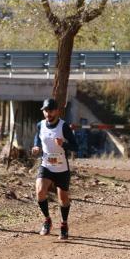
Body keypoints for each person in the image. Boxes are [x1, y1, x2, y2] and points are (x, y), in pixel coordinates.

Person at [31, 98, 78, 240]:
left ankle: (64, 225)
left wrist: (63, 144)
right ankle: (47, 220)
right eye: (45, 111)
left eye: (50, 111)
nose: (48, 114)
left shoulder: (64, 127)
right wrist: (36, 146)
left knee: (63, 199)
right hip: (46, 165)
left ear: (57, 111)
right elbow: (38, 138)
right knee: (40, 191)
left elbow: (76, 147)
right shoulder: (40, 125)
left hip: (62, 168)